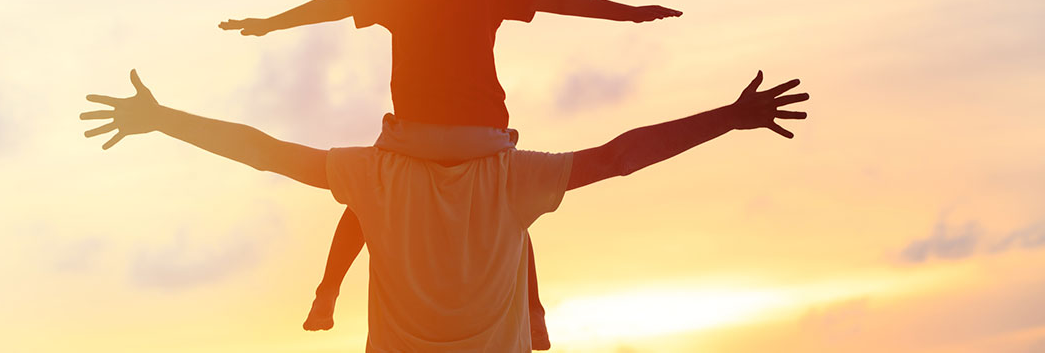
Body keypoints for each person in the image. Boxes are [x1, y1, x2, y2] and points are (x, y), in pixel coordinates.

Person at [217, 0, 682, 347]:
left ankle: (327, 291)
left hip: (412, 139)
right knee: (514, 213)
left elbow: (334, 5)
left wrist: (268, 23)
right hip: (483, 141)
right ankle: (535, 314)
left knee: (363, 200)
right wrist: (629, 14)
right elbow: (559, 0)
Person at [81, 69, 808, 352]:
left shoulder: (375, 174)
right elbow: (622, 155)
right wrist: (728, 116)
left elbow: (266, 151)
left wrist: (163, 118)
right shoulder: (512, 178)